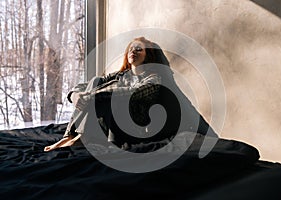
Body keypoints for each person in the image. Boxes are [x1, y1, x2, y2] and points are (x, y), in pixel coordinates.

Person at [44, 37, 216, 152]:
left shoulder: (155, 77)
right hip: (111, 120)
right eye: (131, 49)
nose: (133, 51)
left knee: (109, 97)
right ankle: (71, 136)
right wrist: (74, 95)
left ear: (148, 55)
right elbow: (85, 86)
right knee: (96, 81)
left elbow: (136, 93)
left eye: (139, 49)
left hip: (135, 125)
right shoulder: (121, 75)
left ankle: (80, 138)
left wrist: (95, 96)